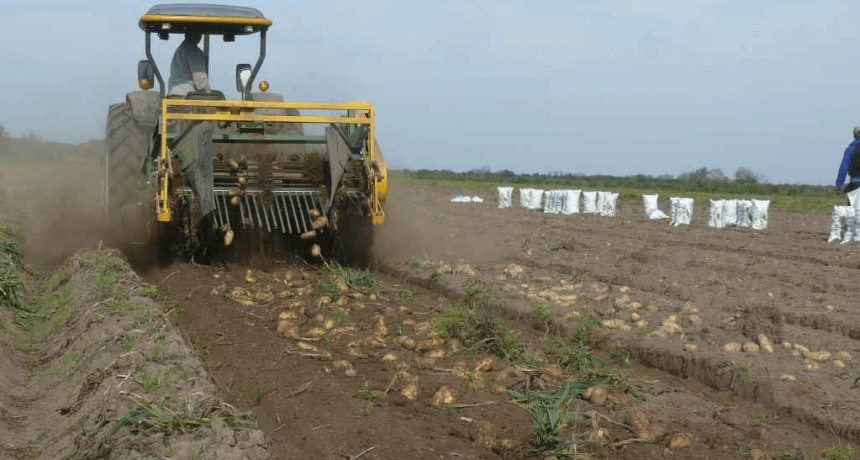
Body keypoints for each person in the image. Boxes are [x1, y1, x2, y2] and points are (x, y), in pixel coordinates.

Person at [167, 30, 209, 97]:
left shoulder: (179, 50)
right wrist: (208, 92)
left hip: (173, 94)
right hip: (188, 96)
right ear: (198, 36)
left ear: (186, 35)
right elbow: (201, 84)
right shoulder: (194, 51)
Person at [835, 126, 860, 197]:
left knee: (850, 206)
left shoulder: (850, 149)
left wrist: (839, 185)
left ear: (854, 135)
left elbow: (843, 168)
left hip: (855, 184)